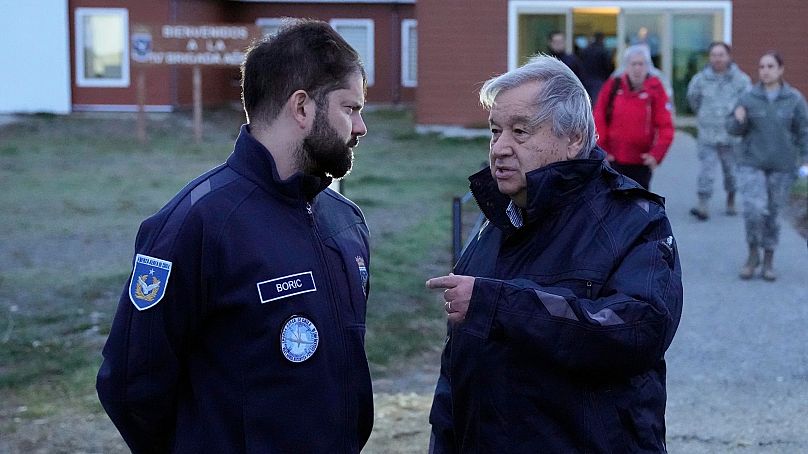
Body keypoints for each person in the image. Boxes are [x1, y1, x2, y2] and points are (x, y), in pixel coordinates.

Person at [96, 20, 374, 453]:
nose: (360, 127)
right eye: (350, 109)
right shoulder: (197, 223)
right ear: (302, 108)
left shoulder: (346, 223)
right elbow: (133, 386)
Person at [426, 55, 683, 453]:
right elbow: (457, 370)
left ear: (574, 138)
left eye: (521, 132)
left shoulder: (634, 221)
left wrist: (500, 306)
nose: (500, 149)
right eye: (495, 132)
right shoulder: (496, 221)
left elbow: (638, 331)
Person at [728, 51, 808, 281]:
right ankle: (753, 254)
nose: (765, 70)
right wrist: (738, 119)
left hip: (782, 167)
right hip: (751, 164)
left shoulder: (794, 99)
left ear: (781, 70)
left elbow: (803, 132)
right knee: (753, 210)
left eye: (770, 66)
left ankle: (769, 259)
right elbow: (732, 129)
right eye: (762, 66)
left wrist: (805, 159)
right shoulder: (748, 97)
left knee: (772, 214)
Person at [593, 44, 674, 190]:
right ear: (626, 66)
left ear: (647, 66)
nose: (637, 68)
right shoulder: (613, 86)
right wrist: (603, 150)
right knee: (615, 200)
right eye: (633, 64)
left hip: (642, 161)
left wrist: (657, 154)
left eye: (641, 64)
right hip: (614, 159)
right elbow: (598, 117)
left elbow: (666, 125)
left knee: (639, 202)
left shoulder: (656, 88)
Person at [686, 42, 751, 220]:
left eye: (721, 55)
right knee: (706, 171)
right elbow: (693, 99)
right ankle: (703, 205)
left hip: (731, 137)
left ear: (728, 57)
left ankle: (731, 198)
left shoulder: (741, 80)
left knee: (731, 172)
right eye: (714, 55)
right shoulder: (700, 79)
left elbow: (747, 103)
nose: (717, 58)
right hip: (708, 135)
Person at [579, 32, 614, 103]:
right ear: (602, 39)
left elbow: (580, 65)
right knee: (597, 103)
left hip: (585, 81)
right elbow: (608, 67)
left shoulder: (585, 50)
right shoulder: (604, 51)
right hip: (599, 81)